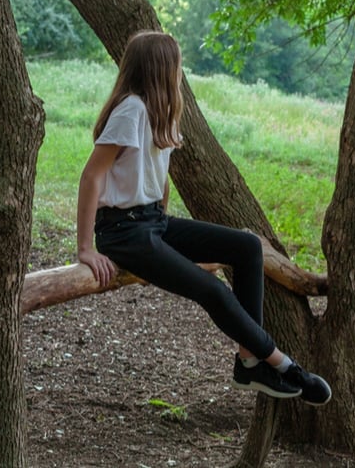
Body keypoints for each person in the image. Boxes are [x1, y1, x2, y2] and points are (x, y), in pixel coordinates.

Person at [77, 30, 331, 405]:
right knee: (213, 291)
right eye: (177, 66)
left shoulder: (158, 113)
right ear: (161, 69)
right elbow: (92, 175)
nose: (180, 74)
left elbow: (156, 177)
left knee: (245, 247)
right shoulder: (130, 109)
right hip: (122, 231)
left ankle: (248, 362)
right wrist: (85, 247)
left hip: (151, 224)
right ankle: (282, 364)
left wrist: (167, 236)